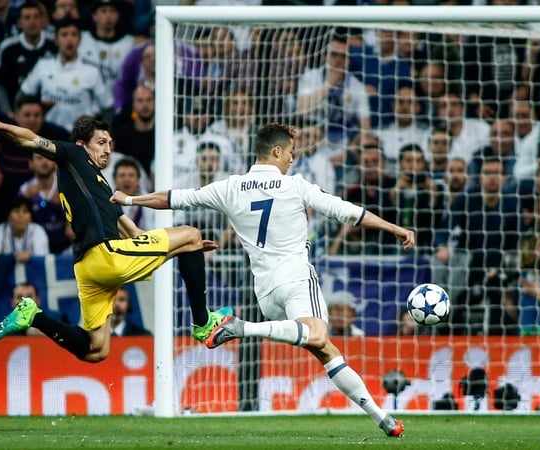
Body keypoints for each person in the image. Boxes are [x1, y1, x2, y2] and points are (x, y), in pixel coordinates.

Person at [114, 122, 411, 437]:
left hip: (265, 291)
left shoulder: (229, 187)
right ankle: (241, 327)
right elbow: (348, 212)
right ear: (277, 151)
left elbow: (175, 198)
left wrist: (130, 200)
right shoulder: (296, 185)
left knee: (325, 349)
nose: (292, 160)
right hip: (296, 278)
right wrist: (396, 229)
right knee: (317, 334)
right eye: (291, 154)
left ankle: (382, 419)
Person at [0, 117, 227, 363]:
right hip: (106, 256)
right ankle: (204, 323)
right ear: (83, 144)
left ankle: (33, 316)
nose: (108, 149)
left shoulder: (101, 187)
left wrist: (185, 249)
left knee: (96, 350)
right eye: (101, 142)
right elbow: (31, 140)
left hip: (87, 267)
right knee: (192, 232)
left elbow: (135, 234)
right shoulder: (73, 155)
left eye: (110, 144)